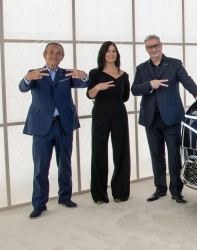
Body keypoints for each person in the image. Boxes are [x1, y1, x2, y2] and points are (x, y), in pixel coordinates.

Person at [132, 35, 197, 204]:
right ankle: (160, 188)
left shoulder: (174, 64)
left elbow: (186, 80)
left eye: (156, 46)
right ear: (146, 49)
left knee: (174, 155)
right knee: (156, 155)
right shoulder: (141, 68)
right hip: (151, 118)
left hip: (171, 117)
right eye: (150, 47)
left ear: (161, 46)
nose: (153, 49)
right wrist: (150, 85)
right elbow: (134, 89)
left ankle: (176, 190)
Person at [19, 43, 88, 219]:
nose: (54, 56)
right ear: (44, 55)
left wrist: (85, 76)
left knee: (65, 163)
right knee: (40, 166)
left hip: (64, 123)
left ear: (62, 57)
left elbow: (82, 84)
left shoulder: (67, 74)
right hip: (42, 126)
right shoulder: (35, 73)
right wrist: (28, 77)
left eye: (58, 54)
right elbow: (22, 87)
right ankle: (39, 203)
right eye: (51, 53)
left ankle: (65, 197)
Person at [87, 42, 131, 205]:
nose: (111, 54)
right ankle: (99, 194)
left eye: (114, 51)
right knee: (99, 151)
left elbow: (125, 97)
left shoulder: (123, 75)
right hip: (100, 114)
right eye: (108, 51)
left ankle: (120, 192)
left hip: (119, 113)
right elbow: (90, 94)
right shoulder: (95, 73)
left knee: (121, 151)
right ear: (103, 54)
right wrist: (98, 87)